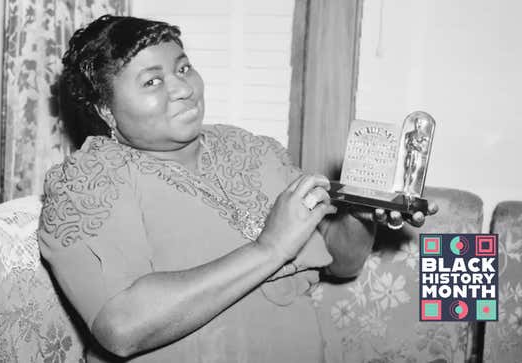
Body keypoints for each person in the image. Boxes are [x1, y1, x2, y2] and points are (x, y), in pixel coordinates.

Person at [38, 15, 435, 362]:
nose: (182, 88)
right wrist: (269, 249)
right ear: (106, 109)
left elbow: (342, 262)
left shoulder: (247, 149)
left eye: (183, 68)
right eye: (152, 81)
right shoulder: (88, 179)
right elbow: (121, 327)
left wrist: (361, 215)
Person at [403, 116, 432, 197]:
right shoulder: (408, 134)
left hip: (417, 156)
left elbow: (423, 149)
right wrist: (413, 145)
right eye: (417, 122)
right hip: (409, 154)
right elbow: (406, 145)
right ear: (414, 123)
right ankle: (405, 187)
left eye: (420, 122)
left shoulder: (424, 136)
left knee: (413, 171)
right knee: (406, 170)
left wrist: (415, 145)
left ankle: (410, 188)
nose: (418, 124)